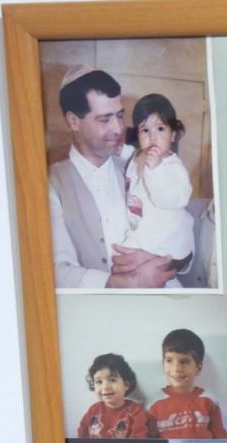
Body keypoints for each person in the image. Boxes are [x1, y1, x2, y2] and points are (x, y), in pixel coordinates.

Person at [49, 66, 176, 290]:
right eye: (104, 119)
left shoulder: (141, 165)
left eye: (119, 115)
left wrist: (166, 258)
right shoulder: (51, 183)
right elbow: (55, 270)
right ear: (73, 122)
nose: (118, 128)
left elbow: (179, 231)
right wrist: (123, 283)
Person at [122, 94, 195, 274]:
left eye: (160, 129)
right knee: (122, 258)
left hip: (166, 241)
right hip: (143, 230)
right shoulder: (137, 157)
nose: (152, 136)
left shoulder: (173, 166)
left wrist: (155, 172)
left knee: (127, 262)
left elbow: (173, 199)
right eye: (145, 130)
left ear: (173, 135)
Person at [148, 328, 227, 439]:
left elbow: (221, 437)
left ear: (198, 368)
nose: (176, 368)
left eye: (184, 362)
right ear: (163, 363)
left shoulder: (209, 400)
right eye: (169, 360)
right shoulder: (153, 404)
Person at [76, 352, 154, 439]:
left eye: (112, 380)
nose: (105, 387)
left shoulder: (135, 411)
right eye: (99, 382)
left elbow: (138, 438)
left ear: (126, 384)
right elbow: (82, 434)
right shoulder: (93, 410)